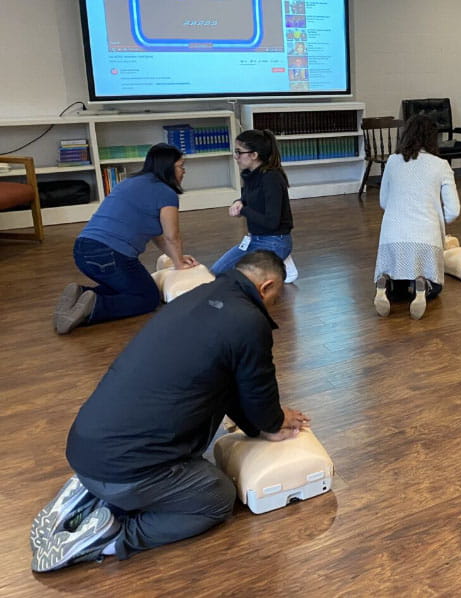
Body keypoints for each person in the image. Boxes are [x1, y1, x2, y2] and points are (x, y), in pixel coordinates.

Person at [30, 251, 310, 573]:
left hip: (85, 448)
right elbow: (257, 390)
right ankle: (111, 537)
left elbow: (232, 386)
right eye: (274, 299)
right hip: (123, 471)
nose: (273, 306)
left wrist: (260, 424)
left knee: (170, 453)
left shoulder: (195, 297)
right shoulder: (248, 319)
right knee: (217, 497)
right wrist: (273, 421)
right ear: (266, 286)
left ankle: (92, 494)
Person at [53, 143, 198, 334]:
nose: (184, 171)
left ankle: (81, 294)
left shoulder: (129, 182)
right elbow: (172, 235)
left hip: (83, 250)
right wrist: (179, 264)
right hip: (110, 255)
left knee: (128, 287)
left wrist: (177, 258)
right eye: (181, 166)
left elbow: (158, 235)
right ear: (167, 167)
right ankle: (94, 307)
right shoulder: (166, 193)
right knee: (147, 297)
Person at [373, 114, 460, 319]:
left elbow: (383, 202)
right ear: (433, 138)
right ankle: (423, 283)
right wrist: (438, 220)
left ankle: (385, 281)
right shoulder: (441, 165)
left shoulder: (393, 161)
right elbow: (454, 210)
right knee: (435, 289)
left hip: (392, 239)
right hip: (425, 239)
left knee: (398, 291)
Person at [211, 129, 297, 282]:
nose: (236, 157)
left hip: (275, 240)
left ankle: (281, 263)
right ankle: (280, 262)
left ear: (254, 155)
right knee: (216, 272)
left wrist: (244, 210)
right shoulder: (250, 174)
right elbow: (249, 199)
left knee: (242, 280)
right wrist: (239, 202)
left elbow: (272, 222)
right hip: (254, 239)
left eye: (239, 152)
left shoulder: (271, 178)